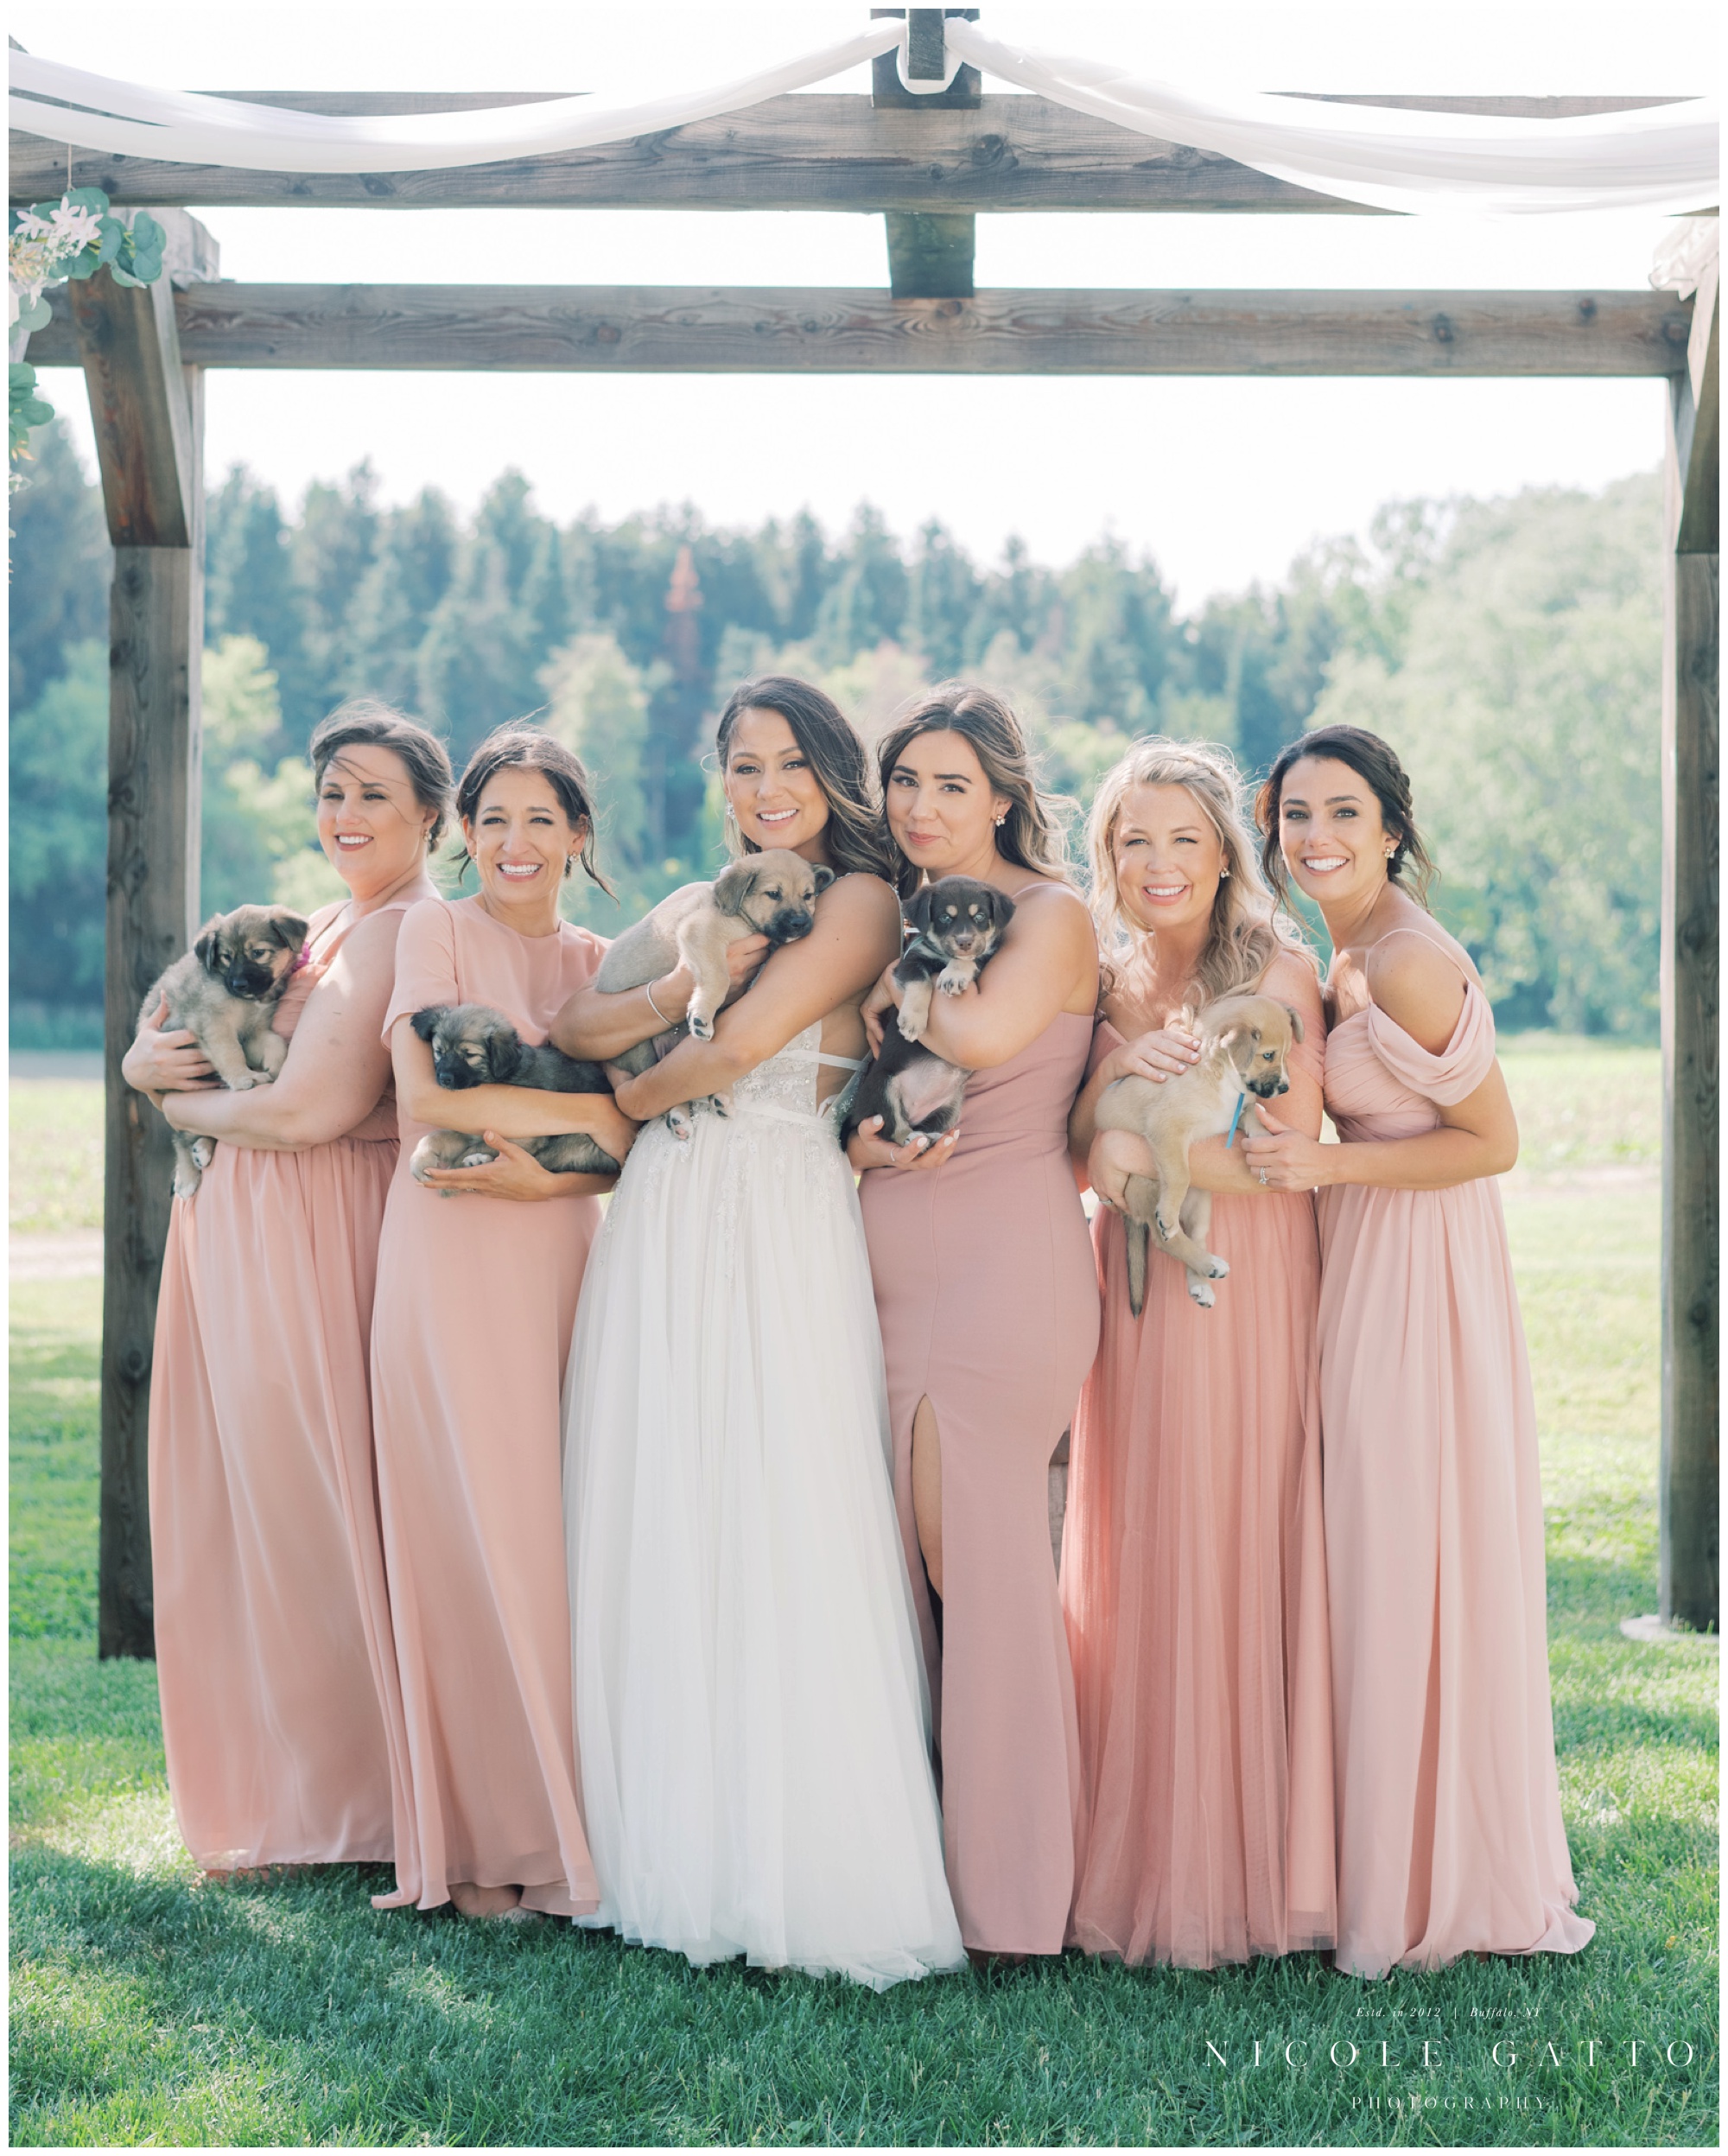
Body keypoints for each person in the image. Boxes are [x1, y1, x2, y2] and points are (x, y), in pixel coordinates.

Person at [560, 676, 964, 1987]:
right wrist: (646, 1046)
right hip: (668, 1214)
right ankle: (662, 1838)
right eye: (744, 766)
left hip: (774, 1210)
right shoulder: (702, 899)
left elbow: (727, 1054)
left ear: (835, 775)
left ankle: (802, 1858)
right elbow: (575, 1025)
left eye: (791, 763)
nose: (766, 788)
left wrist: (639, 1076)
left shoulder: (857, 901)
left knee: (779, 1499)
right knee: (665, 1497)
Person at [1242, 722, 1593, 1978]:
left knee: (1400, 1548)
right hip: (1365, 1261)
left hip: (1420, 1277)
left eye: (1343, 813)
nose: (1316, 837)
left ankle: (1426, 1880)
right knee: (1375, 1551)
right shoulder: (1342, 949)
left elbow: (1493, 1142)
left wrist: (1332, 1162)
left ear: (1393, 826)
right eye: (1294, 817)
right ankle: (1370, 1851)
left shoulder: (1407, 961)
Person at [124, 699, 452, 1873]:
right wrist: (136, 1058)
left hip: (320, 1243)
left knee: (319, 1513)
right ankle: (290, 1789)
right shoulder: (321, 923)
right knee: (254, 1518)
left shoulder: (405, 930)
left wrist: (170, 1101)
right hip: (247, 1236)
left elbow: (311, 1108)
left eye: (373, 792)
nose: (345, 813)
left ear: (430, 811)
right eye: (331, 792)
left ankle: (358, 1803)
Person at [1063, 739, 1335, 1968]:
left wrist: (1130, 1166)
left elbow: (1284, 1150)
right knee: (1147, 1535)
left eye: (1184, 838)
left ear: (1227, 852)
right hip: (1134, 1297)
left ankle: (1255, 1865)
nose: (1159, 863)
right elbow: (1078, 1133)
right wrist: (1115, 1102)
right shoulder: (1109, 980)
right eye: (1135, 839)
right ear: (1106, 859)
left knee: (1238, 1531)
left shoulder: (1275, 968)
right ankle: (1142, 1840)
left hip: (1250, 1280)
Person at [369, 726, 638, 1922]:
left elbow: (634, 1137)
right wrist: (574, 1108)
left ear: (579, 836)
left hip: (566, 1249)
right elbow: (427, 1097)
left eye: (540, 820)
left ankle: (583, 1827)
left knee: (564, 1532)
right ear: (462, 831)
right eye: (492, 821)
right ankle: (489, 1840)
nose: (513, 844)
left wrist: (552, 1159)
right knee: (467, 1529)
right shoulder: (438, 930)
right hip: (450, 1253)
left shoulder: (605, 960)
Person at [849, 683, 1100, 1960]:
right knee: (901, 1571)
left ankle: (1016, 1896)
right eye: (905, 783)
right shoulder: (894, 920)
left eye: (951, 784)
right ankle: (921, 1864)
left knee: (982, 1570)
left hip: (1003, 1265)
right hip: (887, 1267)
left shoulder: (1052, 917)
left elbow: (990, 1030)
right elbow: (865, 1094)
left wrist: (896, 989)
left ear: (1003, 795)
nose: (923, 808)